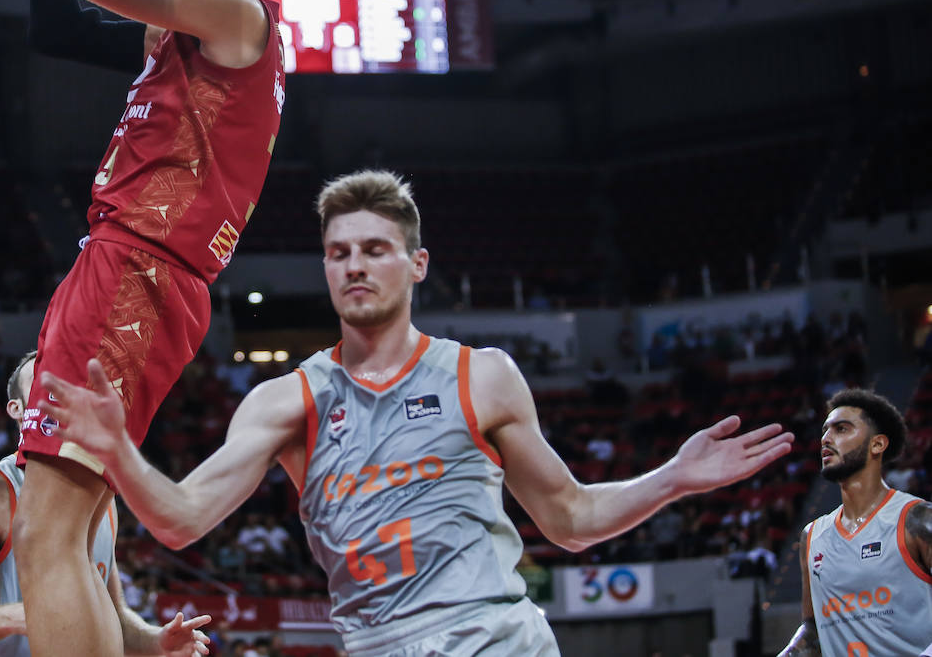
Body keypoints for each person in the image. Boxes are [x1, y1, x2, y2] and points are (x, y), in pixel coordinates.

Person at [42, 170, 795, 657]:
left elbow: (568, 518)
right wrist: (118, 450)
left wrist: (675, 478)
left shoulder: (484, 377)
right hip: (378, 643)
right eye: (338, 253)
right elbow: (180, 520)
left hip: (494, 637)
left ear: (417, 263)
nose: (355, 266)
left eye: (375, 248)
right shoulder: (288, 399)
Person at [11, 0, 285, 657]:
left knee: (46, 538)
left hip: (138, 268)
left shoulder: (236, 15)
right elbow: (55, 16)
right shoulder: (185, 46)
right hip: (144, 272)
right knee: (75, 538)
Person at [0, 353, 210, 657]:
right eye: (42, 388)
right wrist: (23, 615)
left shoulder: (101, 496)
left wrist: (156, 641)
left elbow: (114, 620)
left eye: (64, 385)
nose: (54, 397)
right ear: (17, 409)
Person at [780, 388, 932, 655]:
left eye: (841, 429)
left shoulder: (917, 520)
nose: (826, 439)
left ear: (877, 444)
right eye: (825, 430)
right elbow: (814, 629)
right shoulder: (812, 535)